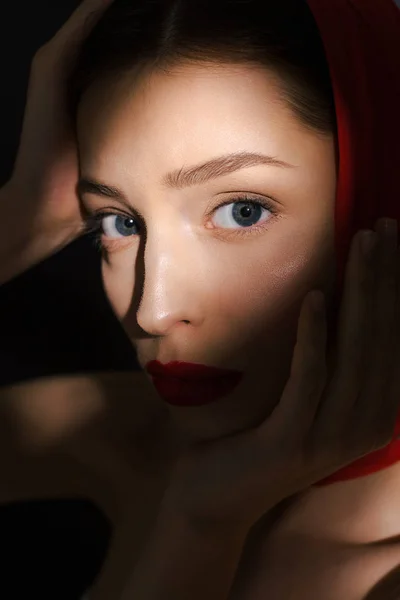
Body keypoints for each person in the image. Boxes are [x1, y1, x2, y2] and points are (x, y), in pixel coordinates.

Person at [1, 0, 400, 598]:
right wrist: (22, 217)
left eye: (243, 210)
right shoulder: (132, 438)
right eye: (118, 222)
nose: (152, 310)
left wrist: (202, 523)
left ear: (381, 193)